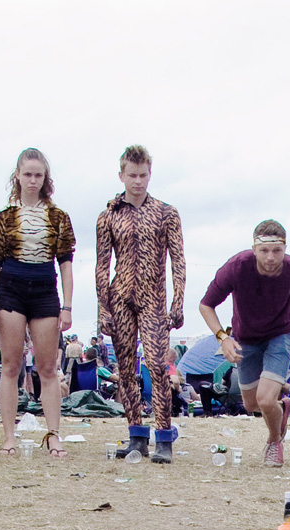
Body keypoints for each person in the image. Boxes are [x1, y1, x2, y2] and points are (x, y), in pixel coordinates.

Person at [96, 144, 186, 464]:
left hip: (153, 299)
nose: (137, 181)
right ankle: (137, 436)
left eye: (143, 175)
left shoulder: (166, 213)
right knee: (125, 370)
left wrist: (178, 301)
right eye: (132, 175)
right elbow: (101, 265)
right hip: (120, 296)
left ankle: (164, 437)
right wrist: (102, 308)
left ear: (150, 174)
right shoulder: (108, 215)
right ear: (121, 175)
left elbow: (178, 260)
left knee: (158, 366)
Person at [0, 148, 75, 458]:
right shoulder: (3, 218)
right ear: (18, 176)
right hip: (10, 289)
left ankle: (53, 436)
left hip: (45, 290)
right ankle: (9, 436)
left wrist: (68, 306)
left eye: (38, 175)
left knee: (48, 368)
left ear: (45, 178)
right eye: (28, 174)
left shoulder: (59, 218)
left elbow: (65, 265)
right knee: (10, 366)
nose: (33, 180)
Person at [198, 219, 290, 467]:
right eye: (264, 250)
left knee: (265, 401)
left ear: (285, 249)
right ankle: (282, 405)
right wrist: (223, 338)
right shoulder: (236, 268)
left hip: (280, 333)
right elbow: (206, 305)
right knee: (251, 403)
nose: (270, 257)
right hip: (246, 336)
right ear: (254, 248)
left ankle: (274, 442)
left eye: (277, 250)